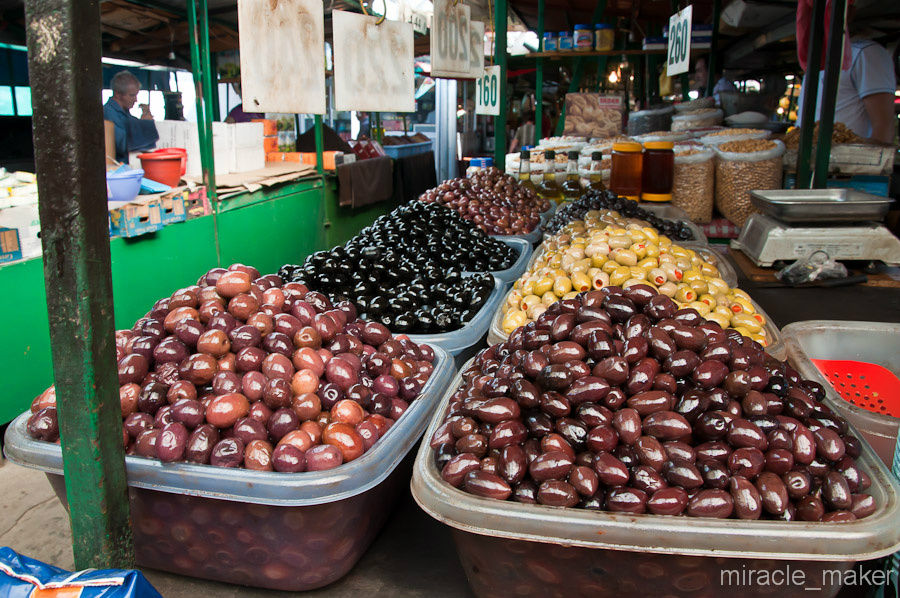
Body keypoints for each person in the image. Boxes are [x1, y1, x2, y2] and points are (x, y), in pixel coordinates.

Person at [797, 38, 896, 144]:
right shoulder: (818, 60)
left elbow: (884, 129)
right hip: (808, 155)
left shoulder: (865, 53)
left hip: (843, 158)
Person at [103, 70, 159, 163]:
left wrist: (142, 121)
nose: (135, 100)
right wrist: (146, 125)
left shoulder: (125, 114)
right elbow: (122, 144)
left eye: (136, 95)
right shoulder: (108, 113)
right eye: (132, 95)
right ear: (117, 94)